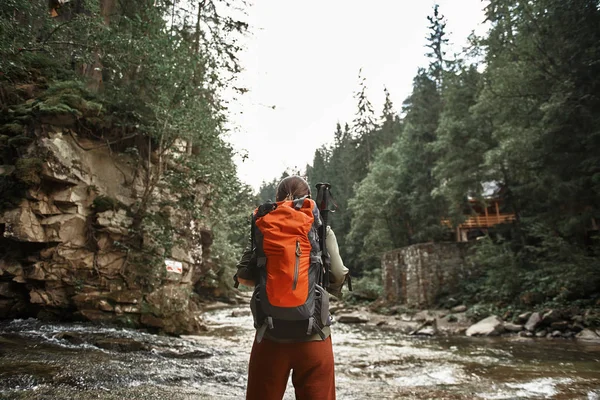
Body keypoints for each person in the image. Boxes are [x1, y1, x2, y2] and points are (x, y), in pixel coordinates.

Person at [234, 175, 349, 400]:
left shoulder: (263, 225)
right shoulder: (321, 229)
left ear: (276, 199)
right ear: (308, 199)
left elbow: (244, 278)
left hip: (270, 336)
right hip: (314, 336)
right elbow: (337, 274)